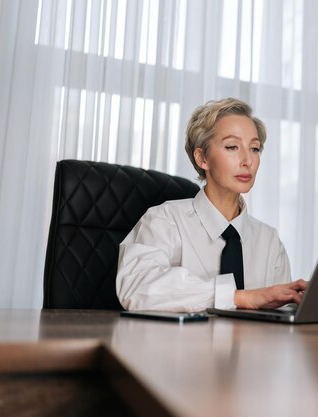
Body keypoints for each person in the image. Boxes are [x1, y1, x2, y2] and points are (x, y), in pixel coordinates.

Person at [116, 97, 306, 312]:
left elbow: (280, 319)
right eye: (232, 147)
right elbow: (137, 287)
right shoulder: (165, 219)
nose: (247, 161)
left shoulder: (269, 240)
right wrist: (239, 298)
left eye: (254, 148)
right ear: (202, 158)